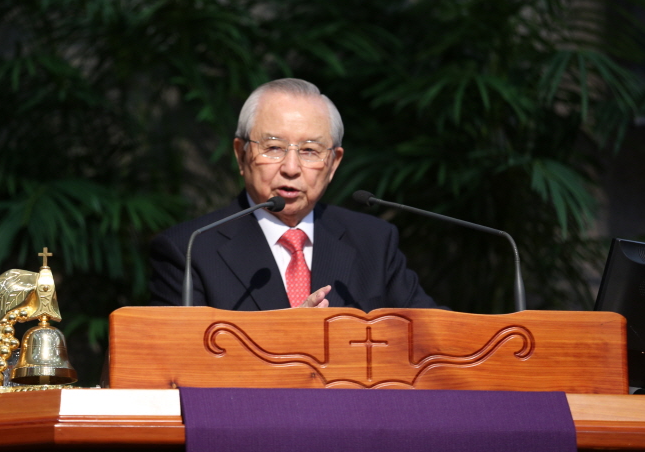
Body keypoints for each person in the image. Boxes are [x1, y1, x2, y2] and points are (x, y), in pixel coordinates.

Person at [149, 78, 438, 311]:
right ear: (241, 154)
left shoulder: (373, 241)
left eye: (310, 151)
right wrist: (289, 334)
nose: (291, 168)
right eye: (273, 148)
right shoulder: (190, 249)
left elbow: (434, 336)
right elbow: (183, 358)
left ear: (333, 163)